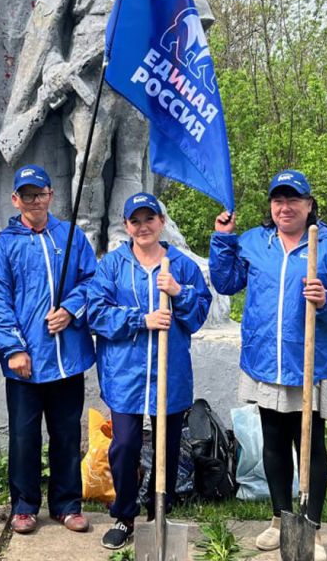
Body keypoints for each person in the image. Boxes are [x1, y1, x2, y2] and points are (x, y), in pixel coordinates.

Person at [0, 0, 212, 252]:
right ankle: (84, 234)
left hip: (139, 61)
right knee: (90, 156)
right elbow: (49, 20)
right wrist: (53, 65)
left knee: (131, 159)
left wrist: (183, 12)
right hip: (86, 63)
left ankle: (120, 235)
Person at [209, 169, 327, 560]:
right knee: (274, 443)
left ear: (309, 205)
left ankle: (311, 527)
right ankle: (280, 519)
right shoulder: (255, 242)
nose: (285, 207)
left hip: (308, 363)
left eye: (293, 199)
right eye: (278, 200)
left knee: (311, 446)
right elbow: (226, 283)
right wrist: (223, 239)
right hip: (265, 361)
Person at [86, 192, 212, 550]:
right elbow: (96, 313)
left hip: (170, 372)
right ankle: (124, 515)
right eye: (135, 220)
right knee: (125, 445)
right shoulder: (112, 265)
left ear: (161, 222)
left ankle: (159, 513)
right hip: (124, 372)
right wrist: (142, 320)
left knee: (166, 446)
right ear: (127, 226)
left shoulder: (181, 265)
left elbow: (198, 316)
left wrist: (178, 292)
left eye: (149, 219)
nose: (143, 227)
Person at [0, 164, 98, 536]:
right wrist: (13, 349)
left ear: (51, 195)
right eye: (27, 195)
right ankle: (24, 506)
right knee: (24, 437)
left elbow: (91, 280)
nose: (35, 200)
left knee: (66, 435)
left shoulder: (71, 236)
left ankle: (67, 504)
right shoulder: (4, 245)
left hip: (67, 358)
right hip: (25, 362)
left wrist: (70, 310)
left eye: (41, 193)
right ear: (15, 199)